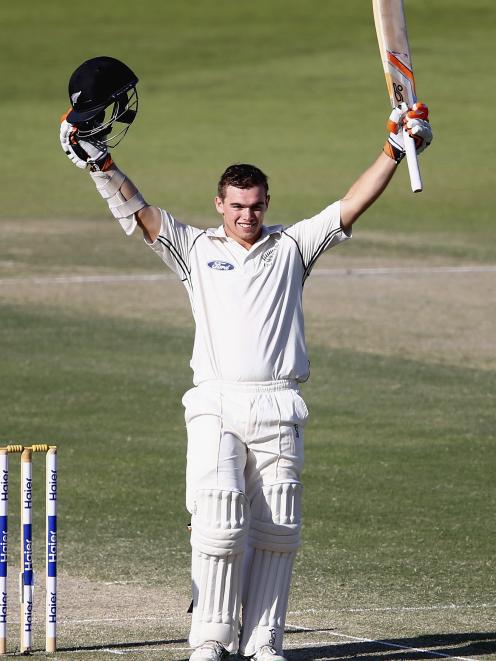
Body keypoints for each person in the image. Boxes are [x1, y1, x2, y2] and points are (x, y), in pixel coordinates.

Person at [60, 74, 432, 660]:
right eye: (237, 206)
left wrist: (395, 146)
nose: (247, 216)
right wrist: (99, 162)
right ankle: (209, 641)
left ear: (266, 204)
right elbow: (142, 215)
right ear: (220, 204)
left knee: (278, 527)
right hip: (216, 401)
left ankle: (264, 644)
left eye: (256, 206)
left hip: (278, 401)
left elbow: (352, 203)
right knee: (220, 518)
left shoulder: (292, 247)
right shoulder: (197, 249)